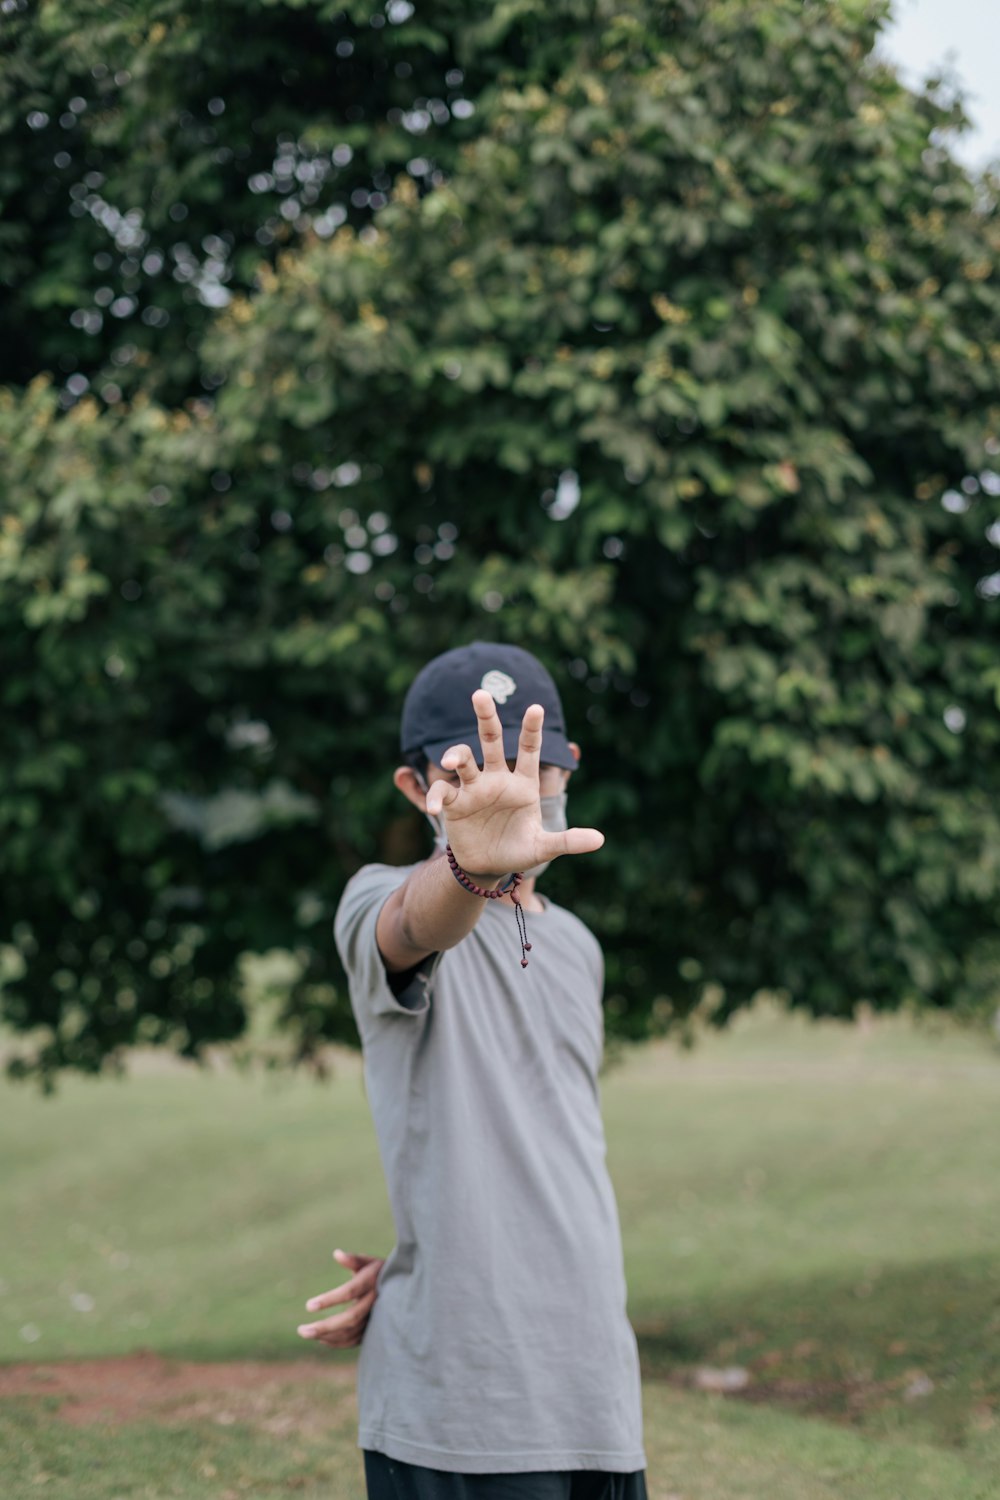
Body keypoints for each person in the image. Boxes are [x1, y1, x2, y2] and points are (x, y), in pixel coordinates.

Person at [297, 642, 648, 1499]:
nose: (509, 792)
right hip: (465, 1413)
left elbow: (533, 1144)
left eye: (535, 767)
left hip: (597, 1397)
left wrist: (441, 1246)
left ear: (566, 768)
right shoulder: (380, 897)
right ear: (418, 791)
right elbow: (416, 927)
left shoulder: (579, 946)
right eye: (466, 771)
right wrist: (465, 865)